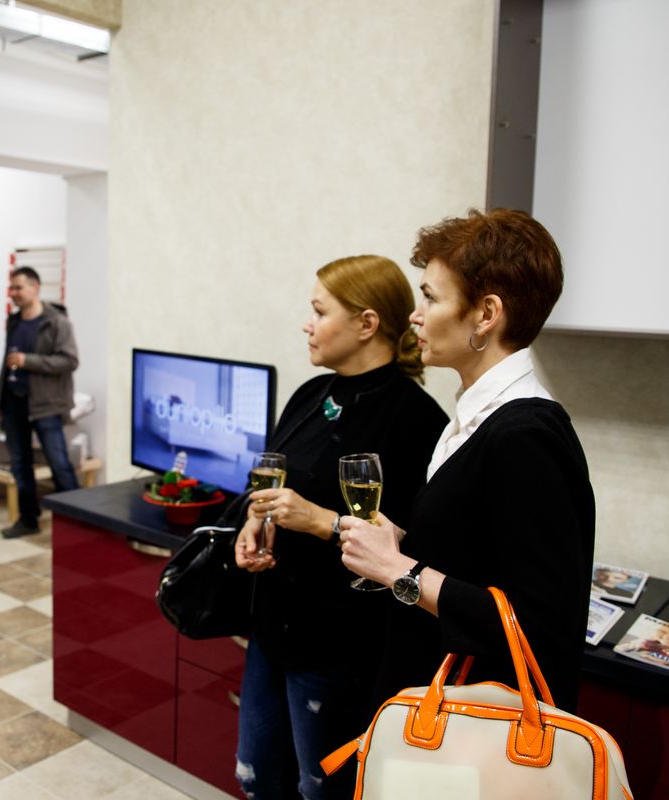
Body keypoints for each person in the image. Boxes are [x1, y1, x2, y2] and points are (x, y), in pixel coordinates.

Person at [340, 209, 595, 715]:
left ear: (486, 314)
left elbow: (538, 627)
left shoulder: (526, 435)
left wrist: (398, 569)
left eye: (431, 298)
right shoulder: (474, 417)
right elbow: (479, 562)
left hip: (480, 720)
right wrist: (404, 545)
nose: (415, 316)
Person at [231, 255, 448, 800]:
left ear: (367, 323)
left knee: (321, 789)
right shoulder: (311, 395)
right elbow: (270, 477)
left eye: (319, 311)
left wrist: (319, 521)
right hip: (272, 627)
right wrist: (253, 522)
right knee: (257, 777)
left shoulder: (418, 420)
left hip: (340, 644)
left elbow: (412, 548)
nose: (306, 324)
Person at [0, 266, 80, 539]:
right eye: (12, 288)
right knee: (20, 465)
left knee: (60, 465)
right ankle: (28, 519)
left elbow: (69, 361)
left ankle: (78, 525)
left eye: (19, 288)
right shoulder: (13, 321)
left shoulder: (57, 322)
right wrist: (0, 402)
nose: (14, 293)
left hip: (46, 406)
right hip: (14, 405)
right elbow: (6, 363)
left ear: (35, 288)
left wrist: (27, 361)